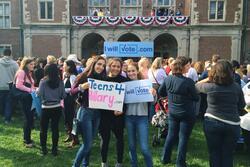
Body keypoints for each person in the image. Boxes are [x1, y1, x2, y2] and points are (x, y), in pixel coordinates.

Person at [196, 60, 245, 167]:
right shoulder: (236, 87)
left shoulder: (210, 87)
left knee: (214, 153)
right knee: (228, 155)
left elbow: (196, 86)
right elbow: (242, 105)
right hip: (232, 124)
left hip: (212, 122)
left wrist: (208, 79)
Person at [159, 56, 199, 167]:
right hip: (186, 113)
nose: (189, 67)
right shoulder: (188, 82)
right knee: (183, 138)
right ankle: (180, 163)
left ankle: (165, 158)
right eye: (187, 65)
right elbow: (196, 98)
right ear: (182, 67)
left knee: (171, 135)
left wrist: (171, 95)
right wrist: (187, 97)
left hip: (173, 112)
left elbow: (161, 92)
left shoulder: (168, 79)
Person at [72, 56, 106, 167]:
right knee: (87, 144)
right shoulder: (84, 76)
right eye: (99, 64)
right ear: (93, 64)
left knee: (89, 142)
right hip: (85, 112)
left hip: (98, 113)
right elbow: (71, 91)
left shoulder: (103, 78)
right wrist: (82, 87)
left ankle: (85, 164)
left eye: (103, 65)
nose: (101, 67)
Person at [99, 58, 128, 167]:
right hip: (104, 115)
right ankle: (103, 162)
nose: (115, 68)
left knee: (119, 138)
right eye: (113, 66)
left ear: (121, 68)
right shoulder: (102, 80)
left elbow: (127, 99)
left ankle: (119, 162)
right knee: (104, 139)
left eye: (118, 66)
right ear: (109, 66)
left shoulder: (124, 81)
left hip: (118, 115)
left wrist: (122, 110)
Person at [125, 62, 154, 167]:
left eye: (133, 70)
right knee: (131, 146)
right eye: (129, 71)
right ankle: (134, 165)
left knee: (144, 148)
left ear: (137, 71)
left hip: (142, 118)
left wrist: (153, 94)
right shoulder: (125, 85)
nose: (131, 73)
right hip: (129, 118)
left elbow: (153, 101)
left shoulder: (145, 84)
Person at [37, 63, 66, 156]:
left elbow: (39, 94)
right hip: (57, 107)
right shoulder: (60, 81)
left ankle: (43, 149)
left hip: (45, 107)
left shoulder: (43, 81)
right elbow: (63, 95)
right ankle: (54, 150)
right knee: (55, 129)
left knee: (43, 130)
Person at [15, 57, 36, 147]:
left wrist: (35, 89)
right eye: (31, 64)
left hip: (28, 98)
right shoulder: (22, 72)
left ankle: (27, 138)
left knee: (29, 118)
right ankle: (27, 140)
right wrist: (30, 90)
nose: (33, 65)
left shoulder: (28, 73)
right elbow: (18, 85)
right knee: (28, 118)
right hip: (24, 99)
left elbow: (31, 85)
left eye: (33, 64)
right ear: (26, 64)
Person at [62, 60, 78, 147]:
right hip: (65, 99)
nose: (63, 66)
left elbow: (73, 89)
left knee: (71, 118)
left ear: (68, 66)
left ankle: (75, 139)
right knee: (66, 118)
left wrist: (63, 90)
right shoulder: (66, 75)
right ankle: (69, 135)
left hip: (70, 100)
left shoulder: (72, 77)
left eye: (64, 65)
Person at [0, 48, 19, 123]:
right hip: (10, 85)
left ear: (2, 54)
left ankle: (2, 115)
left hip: (0, 85)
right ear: (10, 54)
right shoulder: (15, 64)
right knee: (9, 103)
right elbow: (18, 75)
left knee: (1, 102)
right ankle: (7, 119)